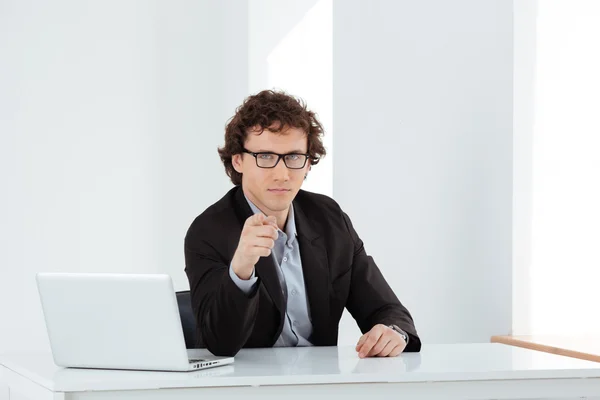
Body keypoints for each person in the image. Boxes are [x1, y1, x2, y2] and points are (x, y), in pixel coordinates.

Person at [184, 90, 421, 358]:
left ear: (308, 164)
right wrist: (241, 270)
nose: (282, 174)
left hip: (321, 382)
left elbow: (385, 308)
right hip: (246, 387)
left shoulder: (329, 219)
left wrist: (393, 332)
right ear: (238, 160)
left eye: (294, 157)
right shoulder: (207, 232)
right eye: (265, 157)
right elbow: (219, 343)